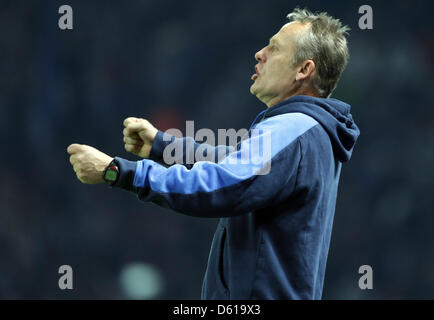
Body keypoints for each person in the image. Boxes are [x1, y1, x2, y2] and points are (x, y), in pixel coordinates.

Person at [67, 8, 360, 299]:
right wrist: (162, 146)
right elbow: (233, 163)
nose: (260, 54)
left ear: (304, 70)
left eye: (275, 48)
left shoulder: (291, 129)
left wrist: (118, 172)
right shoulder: (307, 130)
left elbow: (225, 183)